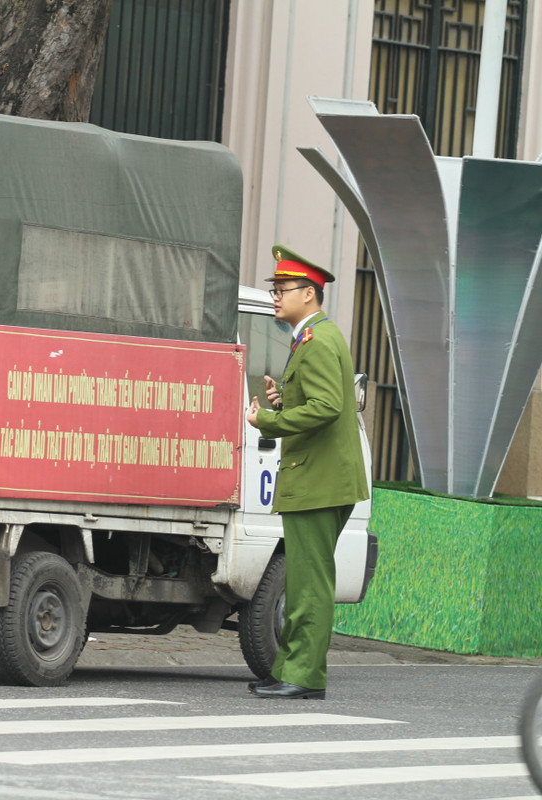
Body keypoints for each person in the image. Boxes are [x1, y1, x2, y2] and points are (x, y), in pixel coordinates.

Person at [245, 244, 369, 700]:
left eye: (283, 289)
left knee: (310, 583)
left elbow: (326, 407)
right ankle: (289, 670)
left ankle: (303, 676)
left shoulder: (316, 340)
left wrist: (270, 421)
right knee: (301, 581)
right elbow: (323, 403)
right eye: (274, 288)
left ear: (309, 295)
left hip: (319, 481)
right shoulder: (314, 337)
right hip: (320, 478)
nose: (276, 296)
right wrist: (285, 401)